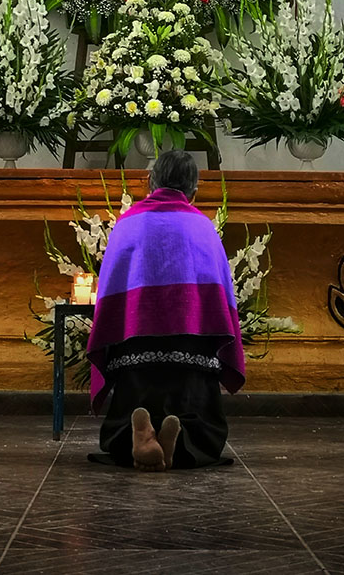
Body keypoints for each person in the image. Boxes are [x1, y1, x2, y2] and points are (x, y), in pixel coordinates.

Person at [86, 150, 245, 471]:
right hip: (192, 352)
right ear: (194, 191)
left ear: (150, 183)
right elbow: (221, 300)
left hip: (136, 349)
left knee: (132, 393)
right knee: (201, 422)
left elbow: (110, 293)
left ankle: (138, 436)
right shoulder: (202, 228)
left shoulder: (127, 224)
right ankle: (184, 440)